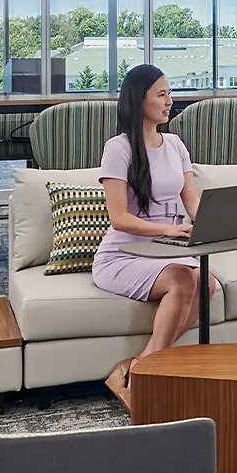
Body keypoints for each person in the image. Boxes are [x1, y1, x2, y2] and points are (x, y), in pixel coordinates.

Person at [93, 65, 202, 405]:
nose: (170, 102)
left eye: (170, 94)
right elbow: (119, 219)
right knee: (183, 280)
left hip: (166, 249)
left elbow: (192, 201)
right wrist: (168, 228)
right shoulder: (119, 148)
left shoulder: (175, 144)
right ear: (139, 101)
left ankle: (138, 367)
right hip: (123, 254)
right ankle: (150, 375)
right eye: (162, 95)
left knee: (208, 282)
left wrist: (216, 223)